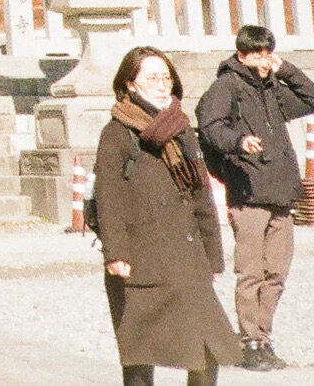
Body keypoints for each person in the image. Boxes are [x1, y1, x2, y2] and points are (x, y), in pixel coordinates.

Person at [93, 43, 242, 386]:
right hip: (140, 256)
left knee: (207, 347)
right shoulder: (117, 132)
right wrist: (116, 253)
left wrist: (213, 257)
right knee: (140, 352)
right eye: (152, 78)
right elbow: (108, 198)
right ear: (130, 84)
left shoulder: (181, 128)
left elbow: (201, 195)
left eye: (167, 77)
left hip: (186, 256)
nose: (163, 85)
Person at [195, 21, 314, 371]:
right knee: (251, 272)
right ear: (241, 54)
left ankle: (264, 337)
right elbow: (209, 126)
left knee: (277, 273)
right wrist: (239, 143)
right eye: (256, 53)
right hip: (248, 192)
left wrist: (286, 70)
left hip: (281, 192)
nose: (264, 59)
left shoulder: (272, 88)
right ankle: (249, 340)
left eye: (268, 52)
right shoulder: (227, 86)